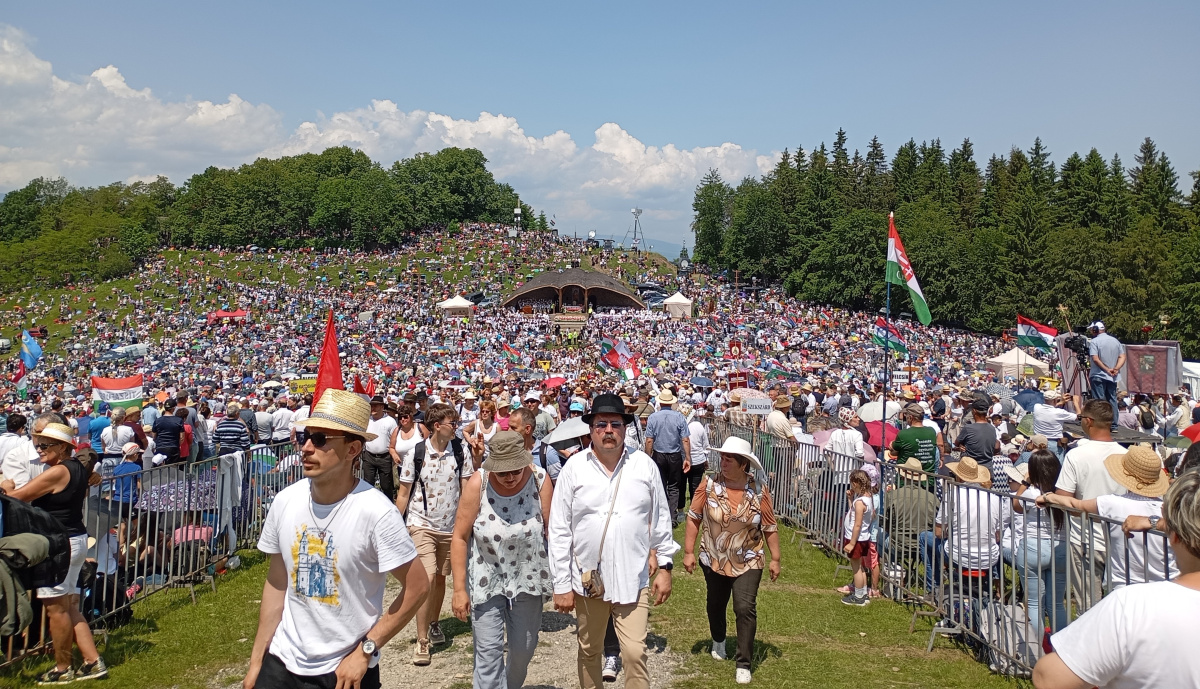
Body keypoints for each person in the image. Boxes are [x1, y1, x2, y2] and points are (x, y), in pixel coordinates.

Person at [244, 389, 430, 689]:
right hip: (281, 662)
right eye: (304, 436)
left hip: (345, 669)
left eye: (319, 440)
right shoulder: (284, 501)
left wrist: (366, 650)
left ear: (352, 449)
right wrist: (257, 662)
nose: (306, 447)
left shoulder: (376, 512)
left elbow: (419, 586)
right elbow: (277, 582)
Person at [548, 393, 679, 689]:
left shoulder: (644, 466)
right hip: (587, 580)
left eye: (615, 424)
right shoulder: (574, 468)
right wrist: (560, 585)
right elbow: (559, 529)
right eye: (601, 424)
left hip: (632, 577)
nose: (608, 430)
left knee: (634, 653)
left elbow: (660, 519)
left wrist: (666, 567)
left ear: (625, 428)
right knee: (590, 650)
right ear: (591, 428)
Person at [1031, 471, 1200, 689]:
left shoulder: (1130, 606)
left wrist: (1050, 497)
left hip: (1130, 593)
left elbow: (1048, 678)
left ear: (1174, 535)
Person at [0, 423, 106, 683]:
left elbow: (17, 498)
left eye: (45, 445)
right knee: (70, 607)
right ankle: (93, 662)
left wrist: (5, 485)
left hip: (60, 543)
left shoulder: (57, 472)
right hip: (75, 538)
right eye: (38, 444)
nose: (39, 449)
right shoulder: (76, 469)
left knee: (55, 610)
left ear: (63, 447)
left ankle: (62, 668)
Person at [449, 431, 553, 689]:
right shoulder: (479, 483)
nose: (509, 477)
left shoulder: (540, 480)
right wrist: (459, 589)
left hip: (528, 579)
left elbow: (553, 533)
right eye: (502, 472)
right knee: (488, 654)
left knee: (523, 650)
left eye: (515, 471)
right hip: (487, 579)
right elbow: (460, 537)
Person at [682, 436, 780, 684]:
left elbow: (769, 526)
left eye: (729, 459)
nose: (723, 463)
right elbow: (694, 516)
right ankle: (719, 639)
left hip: (749, 557)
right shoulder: (709, 484)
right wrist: (689, 551)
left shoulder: (759, 489)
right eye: (722, 458)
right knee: (715, 604)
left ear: (743, 464)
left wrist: (775, 558)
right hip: (714, 556)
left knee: (744, 607)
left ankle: (743, 663)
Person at [394, 403, 481, 666]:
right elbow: (403, 493)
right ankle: (422, 641)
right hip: (421, 523)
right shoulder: (416, 454)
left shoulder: (460, 450)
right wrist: (394, 523)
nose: (456, 427)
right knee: (427, 577)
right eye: (451, 423)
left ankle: (433, 623)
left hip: (450, 526)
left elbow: (467, 486)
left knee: (441, 578)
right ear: (436, 426)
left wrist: (470, 520)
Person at [1039, 445, 1177, 589]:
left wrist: (1050, 496)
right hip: (1166, 587)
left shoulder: (1112, 503)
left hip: (1125, 587)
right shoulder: (1169, 510)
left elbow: (1075, 505)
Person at [1053, 399, 1126, 612]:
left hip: (1084, 539)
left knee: (1089, 607)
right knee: (1117, 607)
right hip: (1117, 539)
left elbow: (1063, 497)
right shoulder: (1125, 454)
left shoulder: (1076, 455)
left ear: (1088, 421)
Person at [1003, 449, 1068, 643]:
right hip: (1060, 547)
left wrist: (1024, 483)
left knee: (1034, 602)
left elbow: (1016, 505)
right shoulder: (1062, 494)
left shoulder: (1031, 493)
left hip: (1033, 546)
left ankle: (1036, 648)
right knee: (1056, 603)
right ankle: (1061, 646)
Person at [644, 389, 691, 525]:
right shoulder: (679, 417)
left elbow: (649, 440)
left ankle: (662, 516)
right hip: (674, 455)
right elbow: (685, 439)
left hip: (659, 455)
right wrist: (687, 458)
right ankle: (671, 516)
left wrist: (648, 456)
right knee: (674, 486)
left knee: (661, 485)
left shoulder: (653, 417)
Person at [839, 469, 874, 607]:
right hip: (862, 538)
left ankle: (858, 596)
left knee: (856, 568)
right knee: (860, 567)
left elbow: (857, 524)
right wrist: (850, 499)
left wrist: (852, 543)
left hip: (857, 539)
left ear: (855, 483)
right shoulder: (866, 499)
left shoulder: (860, 503)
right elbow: (853, 515)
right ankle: (863, 593)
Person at [1087, 321, 1125, 432]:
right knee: (1112, 399)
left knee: (1100, 401)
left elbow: (1095, 358)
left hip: (1099, 375)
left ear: (1095, 330)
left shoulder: (1094, 341)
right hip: (1113, 376)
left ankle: (1101, 424)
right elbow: (1122, 357)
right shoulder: (1115, 341)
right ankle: (1114, 425)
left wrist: (1106, 369)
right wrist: (1116, 369)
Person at [361, 396, 399, 500]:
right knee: (367, 483)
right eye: (372, 406)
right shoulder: (367, 421)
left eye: (376, 406)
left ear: (382, 407)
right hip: (369, 456)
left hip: (385, 457)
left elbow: (394, 440)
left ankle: (388, 504)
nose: (373, 408)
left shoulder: (390, 421)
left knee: (386, 485)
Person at [891, 403, 942, 479]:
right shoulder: (931, 431)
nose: (906, 417)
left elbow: (893, 452)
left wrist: (891, 445)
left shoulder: (904, 433)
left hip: (907, 478)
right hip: (928, 479)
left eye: (907, 415)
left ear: (911, 417)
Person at [955, 397, 999, 471]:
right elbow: (996, 446)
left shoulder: (968, 428)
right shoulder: (992, 428)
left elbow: (956, 443)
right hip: (987, 470)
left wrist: (961, 445)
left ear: (974, 411)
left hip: (971, 470)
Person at [1031, 390, 1077, 458]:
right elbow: (1078, 417)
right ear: (1055, 400)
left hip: (1037, 441)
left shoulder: (1036, 407)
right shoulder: (1060, 412)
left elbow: (1048, 410)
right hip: (1052, 444)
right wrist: (1076, 402)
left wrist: (1060, 402)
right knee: (1056, 465)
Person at [684, 405, 709, 510]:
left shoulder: (682, 426)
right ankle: (694, 508)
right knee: (695, 486)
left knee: (682, 485)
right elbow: (705, 444)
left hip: (685, 460)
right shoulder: (699, 425)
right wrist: (706, 459)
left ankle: (682, 510)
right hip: (699, 459)